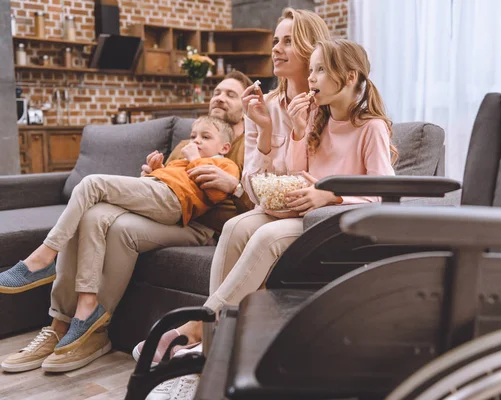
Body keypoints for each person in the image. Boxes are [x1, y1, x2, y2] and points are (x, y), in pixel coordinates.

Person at [135, 13, 397, 369]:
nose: (313, 79)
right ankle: (211, 348)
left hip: (329, 221)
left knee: (264, 238)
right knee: (233, 228)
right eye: (314, 70)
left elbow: (383, 192)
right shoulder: (318, 119)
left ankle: (200, 326)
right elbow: (294, 169)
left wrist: (331, 196)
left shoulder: (371, 128)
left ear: (349, 77)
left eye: (319, 71)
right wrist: (295, 129)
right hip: (300, 211)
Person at [0, 71, 253, 374]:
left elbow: (252, 200)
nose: (220, 98)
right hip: (170, 210)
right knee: (92, 216)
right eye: (217, 92)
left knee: (115, 224)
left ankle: (80, 319)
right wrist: (150, 174)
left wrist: (233, 186)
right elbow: (169, 182)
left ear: (247, 104)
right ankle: (66, 324)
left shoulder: (249, 144)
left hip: (203, 227)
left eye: (231, 94)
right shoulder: (192, 139)